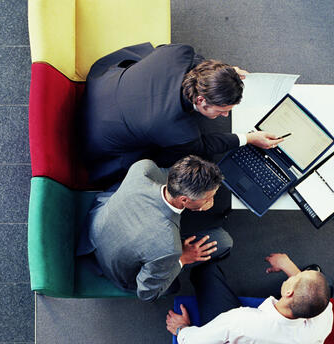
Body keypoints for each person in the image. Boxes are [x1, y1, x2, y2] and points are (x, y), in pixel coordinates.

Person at [81, 42, 284, 185]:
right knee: (170, 159)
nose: (224, 116)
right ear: (200, 100)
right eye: (222, 111)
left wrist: (223, 73)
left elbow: (193, 62)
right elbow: (203, 146)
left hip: (103, 85)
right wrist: (248, 138)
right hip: (99, 139)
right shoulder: (179, 131)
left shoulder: (179, 52)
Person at [164, 253, 333, 344]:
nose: (294, 275)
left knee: (205, 273)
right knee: (325, 285)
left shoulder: (241, 320)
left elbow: (192, 342)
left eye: (296, 277)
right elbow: (321, 301)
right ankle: (307, 281)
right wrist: (289, 267)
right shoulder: (322, 325)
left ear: (288, 292)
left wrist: (181, 328)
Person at [75, 155, 232, 302]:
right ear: (184, 199)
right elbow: (146, 294)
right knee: (223, 241)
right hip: (117, 271)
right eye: (208, 198)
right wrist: (182, 259)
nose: (212, 201)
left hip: (94, 233)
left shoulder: (143, 169)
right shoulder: (169, 247)